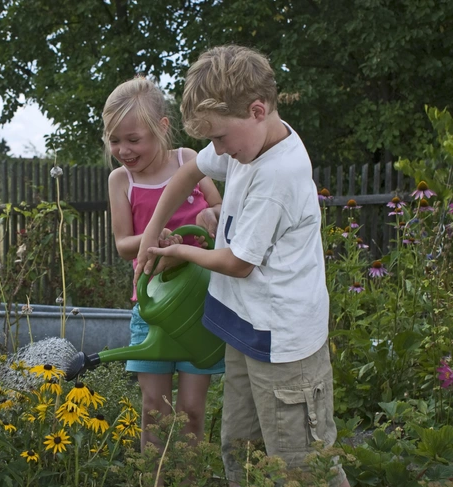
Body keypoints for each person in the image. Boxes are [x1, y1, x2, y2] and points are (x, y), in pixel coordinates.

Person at [134, 46, 349, 486]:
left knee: (302, 466)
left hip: (284, 345)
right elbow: (190, 172)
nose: (216, 150)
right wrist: (153, 230)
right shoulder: (244, 146)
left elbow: (237, 263)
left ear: (257, 110)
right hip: (246, 328)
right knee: (242, 452)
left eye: (219, 138)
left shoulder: (278, 174)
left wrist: (178, 252)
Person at [103, 76, 225, 453]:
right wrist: (157, 235)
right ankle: (152, 478)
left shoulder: (189, 161)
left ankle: (186, 480)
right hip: (152, 308)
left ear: (162, 128)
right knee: (154, 408)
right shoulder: (120, 180)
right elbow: (125, 245)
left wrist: (211, 217)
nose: (123, 149)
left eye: (133, 139)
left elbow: (221, 211)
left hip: (199, 306)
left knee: (191, 410)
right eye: (115, 140)